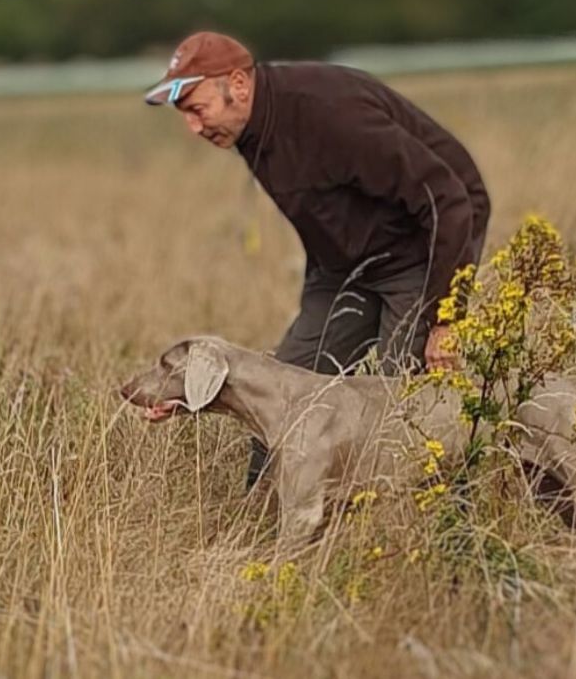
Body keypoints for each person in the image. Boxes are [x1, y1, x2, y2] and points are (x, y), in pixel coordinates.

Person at [145, 31, 491, 487]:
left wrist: (446, 318)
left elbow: (449, 201)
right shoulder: (246, 128)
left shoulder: (329, 114)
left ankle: (444, 530)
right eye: (182, 113)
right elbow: (328, 218)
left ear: (238, 84)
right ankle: (261, 521)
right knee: (282, 384)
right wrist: (188, 392)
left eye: (195, 107)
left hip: (421, 254)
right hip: (344, 270)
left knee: (400, 411)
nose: (193, 126)